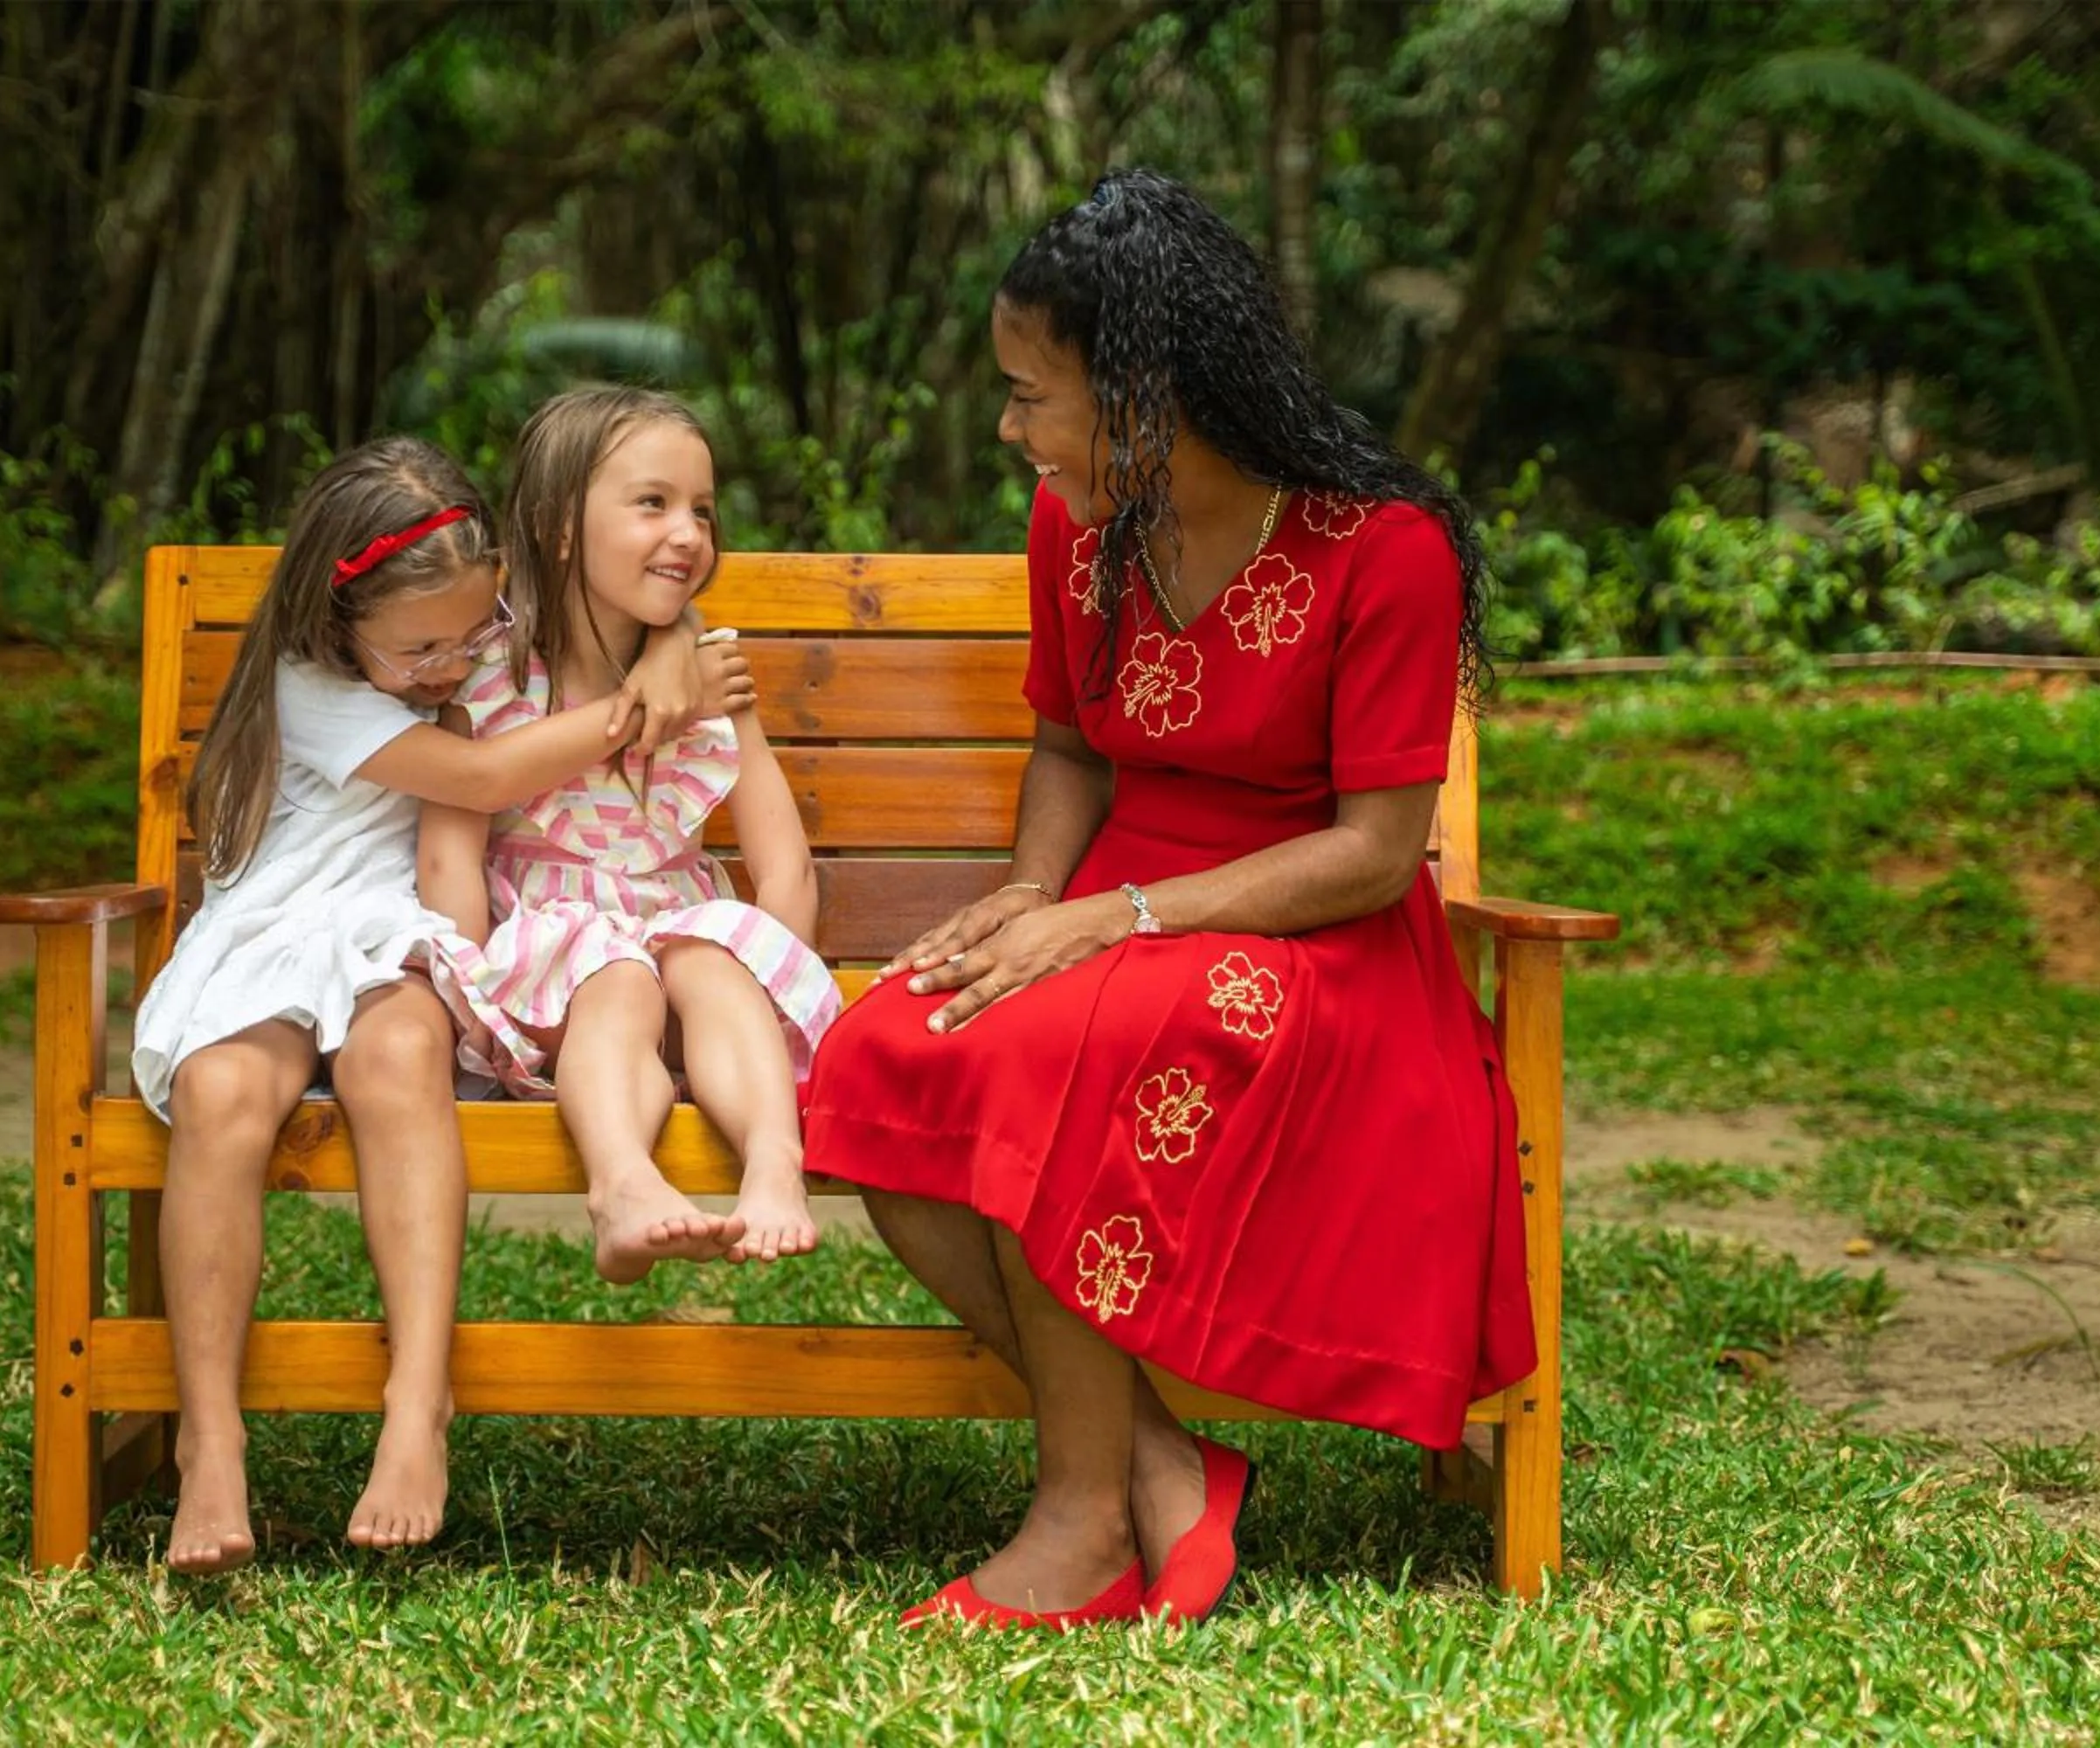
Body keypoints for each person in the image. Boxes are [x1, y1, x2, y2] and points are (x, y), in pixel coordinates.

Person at [800, 169, 1535, 1629]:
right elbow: (1071, 740)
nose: (1010, 431)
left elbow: (1379, 851)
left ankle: (1081, 1522)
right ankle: (1156, 1465)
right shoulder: (1080, 524)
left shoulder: (1380, 549)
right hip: (1116, 917)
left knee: (1044, 1052)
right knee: (885, 1054)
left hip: (1313, 943)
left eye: (1030, 395)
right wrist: (1027, 895)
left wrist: (1117, 922)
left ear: (1144, 390)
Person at [134, 434, 752, 1575]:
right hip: (283, 927)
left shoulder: (478, 623)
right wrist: (640, 707)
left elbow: (609, 587)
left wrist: (667, 645)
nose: (452, 665)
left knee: (398, 1054)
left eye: (471, 636)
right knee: (221, 1090)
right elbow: (476, 779)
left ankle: (418, 1404)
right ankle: (207, 1446)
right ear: (338, 620)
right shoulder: (308, 686)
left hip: (412, 926)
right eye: (420, 648)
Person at [422, 387, 838, 1285]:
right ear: (558, 524)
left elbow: (781, 861)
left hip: (689, 969)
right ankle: (623, 1185)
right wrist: (460, 1001)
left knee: (709, 954)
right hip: (555, 975)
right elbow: (449, 855)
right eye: (653, 503)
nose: (688, 532)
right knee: (617, 981)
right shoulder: (488, 675)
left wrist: (779, 984)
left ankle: (775, 1162)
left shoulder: (709, 670)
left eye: (702, 511)